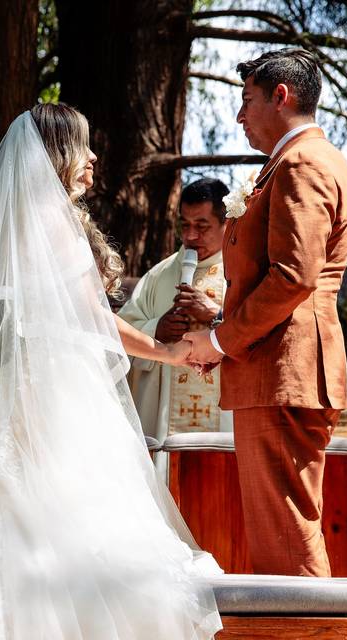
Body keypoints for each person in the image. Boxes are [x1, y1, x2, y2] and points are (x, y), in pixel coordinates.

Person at [0, 103, 222, 639]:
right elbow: (92, 316)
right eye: (83, 145)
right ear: (57, 154)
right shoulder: (50, 221)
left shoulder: (30, 217)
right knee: (53, 510)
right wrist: (167, 353)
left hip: (37, 377)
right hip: (52, 387)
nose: (94, 156)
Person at [184, 48, 347, 577]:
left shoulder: (303, 163)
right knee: (280, 534)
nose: (239, 116)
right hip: (276, 368)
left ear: (280, 97)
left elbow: (293, 277)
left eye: (246, 100)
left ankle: (308, 634)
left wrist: (219, 342)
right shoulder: (296, 161)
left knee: (287, 542)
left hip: (285, 370)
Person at [118, 178, 233, 480]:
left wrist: (216, 315)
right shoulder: (160, 274)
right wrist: (157, 328)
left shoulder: (242, 272)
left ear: (226, 223)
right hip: (165, 421)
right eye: (185, 225)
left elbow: (261, 333)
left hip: (225, 418)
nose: (191, 235)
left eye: (202, 225)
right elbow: (119, 331)